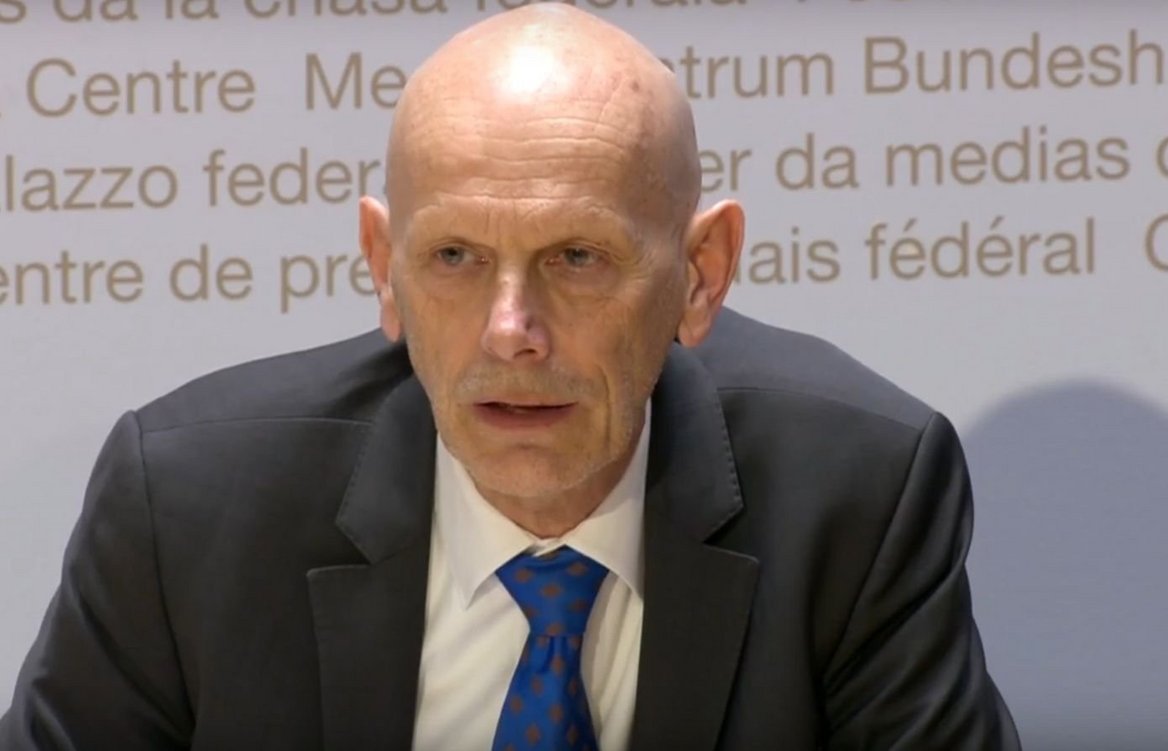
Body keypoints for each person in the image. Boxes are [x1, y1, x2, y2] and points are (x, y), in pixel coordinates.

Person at [0, 6, 1020, 750]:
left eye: (578, 257)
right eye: (454, 257)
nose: (511, 333)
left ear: (700, 275)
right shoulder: (186, 511)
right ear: (384, 266)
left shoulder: (856, 496)